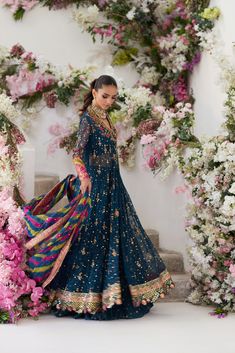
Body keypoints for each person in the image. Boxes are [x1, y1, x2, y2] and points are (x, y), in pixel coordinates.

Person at [23, 74, 175, 320]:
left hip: (113, 182)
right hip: (96, 184)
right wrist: (83, 176)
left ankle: (116, 294)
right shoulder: (88, 120)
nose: (108, 101)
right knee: (93, 235)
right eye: (105, 96)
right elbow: (77, 152)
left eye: (113, 98)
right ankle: (85, 296)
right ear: (94, 92)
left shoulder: (105, 116)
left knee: (118, 232)